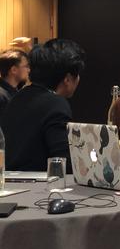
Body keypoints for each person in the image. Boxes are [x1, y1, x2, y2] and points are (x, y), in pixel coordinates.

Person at [1, 39, 85, 172]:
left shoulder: (18, 97)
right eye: (78, 74)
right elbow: (64, 163)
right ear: (68, 79)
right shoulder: (56, 104)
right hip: (36, 188)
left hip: (9, 184)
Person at [0, 49, 29, 118]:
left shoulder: (16, 90)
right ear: (14, 70)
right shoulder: (2, 96)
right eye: (26, 66)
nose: (29, 70)